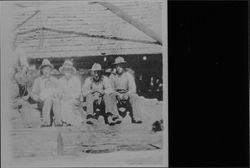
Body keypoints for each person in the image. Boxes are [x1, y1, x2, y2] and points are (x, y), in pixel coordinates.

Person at [109, 57, 142, 124]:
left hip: (126, 96)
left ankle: (136, 117)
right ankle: (116, 117)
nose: (118, 67)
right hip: (117, 97)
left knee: (135, 97)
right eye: (117, 66)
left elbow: (133, 89)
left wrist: (127, 94)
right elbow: (110, 89)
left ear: (123, 66)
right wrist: (117, 94)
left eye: (120, 65)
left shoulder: (128, 75)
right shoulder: (112, 76)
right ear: (115, 67)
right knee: (110, 96)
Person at [31, 59, 62, 127]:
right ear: (42, 70)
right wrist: (38, 98)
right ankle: (46, 122)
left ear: (50, 70)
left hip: (54, 101)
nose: (46, 71)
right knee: (48, 100)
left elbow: (60, 91)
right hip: (42, 102)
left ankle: (58, 122)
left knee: (56, 100)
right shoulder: (38, 80)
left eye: (48, 69)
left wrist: (57, 96)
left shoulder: (55, 80)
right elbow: (33, 93)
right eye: (44, 69)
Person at [58, 60, 84, 126]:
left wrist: (69, 97)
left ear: (72, 71)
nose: (67, 71)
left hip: (75, 100)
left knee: (67, 104)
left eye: (69, 69)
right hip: (64, 99)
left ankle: (69, 122)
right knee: (61, 104)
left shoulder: (76, 80)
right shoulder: (60, 80)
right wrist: (62, 96)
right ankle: (64, 121)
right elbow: (59, 92)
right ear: (63, 71)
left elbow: (78, 93)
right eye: (66, 69)